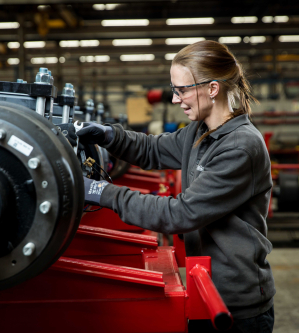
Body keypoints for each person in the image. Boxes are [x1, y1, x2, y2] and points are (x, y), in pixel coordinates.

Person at [77, 40, 275, 333]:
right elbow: (153, 149)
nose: (174, 99)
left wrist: (100, 192)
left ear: (212, 88)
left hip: (235, 305)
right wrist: (108, 136)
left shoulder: (239, 147)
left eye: (181, 90)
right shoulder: (201, 131)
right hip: (204, 286)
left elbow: (180, 214)